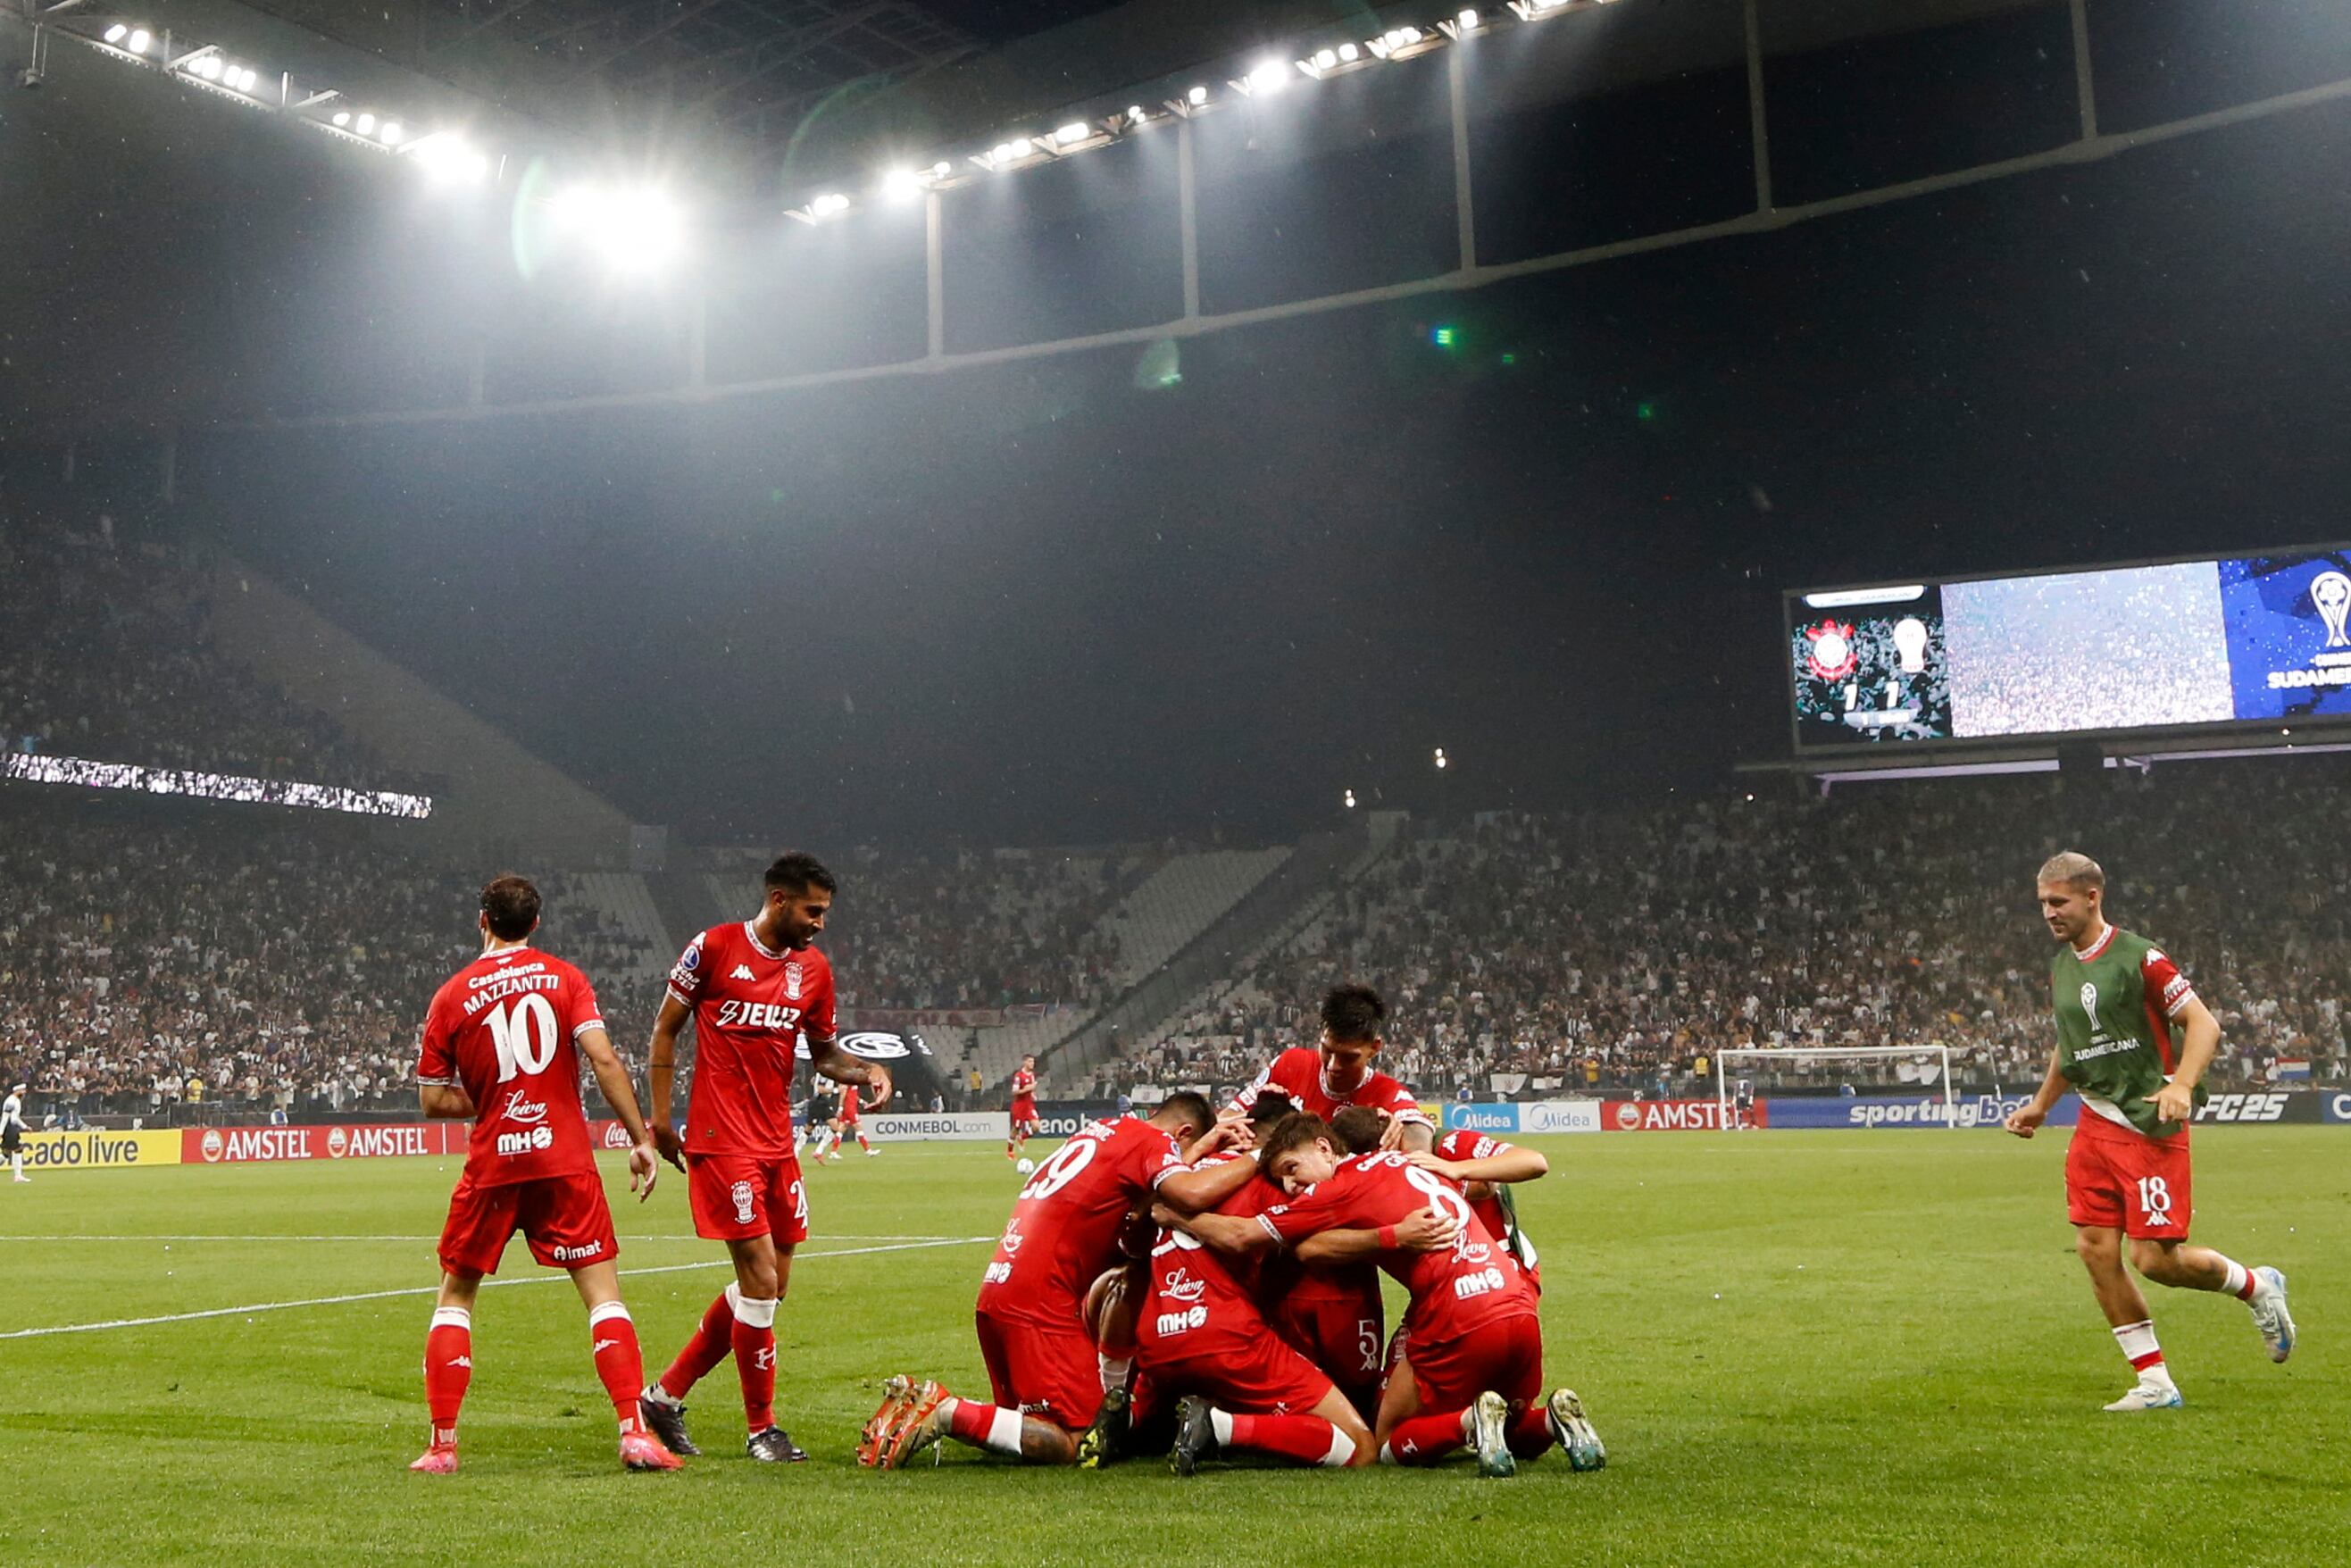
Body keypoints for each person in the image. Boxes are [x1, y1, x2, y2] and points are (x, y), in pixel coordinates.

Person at [2003, 851, 2295, 1411]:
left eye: (2058, 902)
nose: (2048, 913)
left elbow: (2203, 1023)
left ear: (2093, 897)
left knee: (2157, 1260)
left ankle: (2257, 1285)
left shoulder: (2141, 958)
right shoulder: (2063, 966)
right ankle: (2155, 1383)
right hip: (2093, 1123)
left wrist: (2182, 1085)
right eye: (2043, 903)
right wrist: (2042, 1105)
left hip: (2146, 1124)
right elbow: (2072, 1045)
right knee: (2094, 1249)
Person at [408, 875, 679, 1474]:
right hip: (563, 1160)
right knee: (602, 1295)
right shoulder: (565, 978)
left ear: (482, 921)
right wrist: (640, 1138)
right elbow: (603, 1058)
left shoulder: (450, 996)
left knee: (456, 1296)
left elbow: (432, 1100)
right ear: (535, 923)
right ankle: (633, 1432)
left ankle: (442, 1446)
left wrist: (498, 1099)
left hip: (494, 1164)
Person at [1174, 1113, 1604, 1479]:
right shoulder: (1411, 1164)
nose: (1290, 1185)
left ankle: (1470, 1421)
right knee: (1516, 1431)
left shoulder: (1334, 1189)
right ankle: (1552, 1419)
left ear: (1325, 1149)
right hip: (1518, 1305)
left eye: (1291, 1167)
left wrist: (1174, 1213)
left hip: (1456, 1314)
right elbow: (1490, 1188)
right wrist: (1428, 1199)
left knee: (1387, 1442)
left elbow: (1244, 1236)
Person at [638, 853, 891, 1464]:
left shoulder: (814, 970)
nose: (820, 923)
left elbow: (825, 1053)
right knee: (758, 1281)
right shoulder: (715, 948)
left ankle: (664, 1397)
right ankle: (762, 1429)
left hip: (777, 1141)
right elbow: (666, 1029)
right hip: (722, 1140)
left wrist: (866, 1071)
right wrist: (660, 1117)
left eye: (824, 912)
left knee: (771, 1289)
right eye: (813, 910)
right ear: (778, 899)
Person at [860, 1093, 1243, 1467]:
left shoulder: (1101, 1130)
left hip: (998, 1292)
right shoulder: (1155, 1142)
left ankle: (941, 1410)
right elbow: (1189, 1195)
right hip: (1041, 1305)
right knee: (1081, 1440)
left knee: (1027, 1429)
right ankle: (946, 1411)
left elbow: (1133, 1231)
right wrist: (1260, 1158)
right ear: (1183, 1132)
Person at [1228, 986, 1433, 1152]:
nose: (1333, 1066)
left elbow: (1419, 1144)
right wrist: (1261, 1116)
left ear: (1374, 1048)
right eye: (1327, 1050)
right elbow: (1225, 1118)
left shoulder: (1387, 1093)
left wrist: (1401, 1131)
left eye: (1348, 1057)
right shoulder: (1290, 1063)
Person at [1408, 1122, 1549, 1288]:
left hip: (1499, 1269)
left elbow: (1533, 1162)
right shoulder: (1380, 1159)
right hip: (1450, 1277)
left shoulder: (1449, 1142)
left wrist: (1457, 1169)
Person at [1007, 1055, 1040, 1163]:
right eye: (1030, 1062)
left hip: (1029, 1105)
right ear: (1025, 1063)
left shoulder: (1032, 1075)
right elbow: (1014, 1092)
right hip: (1019, 1106)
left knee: (1036, 1127)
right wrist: (1027, 1089)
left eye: (1033, 1062)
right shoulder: (1018, 1076)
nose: (1032, 1064)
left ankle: (1022, 1137)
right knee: (1015, 1129)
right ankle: (1010, 1151)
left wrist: (1032, 1094)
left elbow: (1030, 1089)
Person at [838, 1080, 876, 1158]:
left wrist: (861, 1101)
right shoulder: (847, 1081)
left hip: (850, 1108)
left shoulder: (853, 1082)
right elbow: (843, 1094)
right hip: (850, 1109)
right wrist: (840, 1108)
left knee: (842, 1128)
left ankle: (833, 1151)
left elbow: (853, 1095)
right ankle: (868, 1150)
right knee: (858, 1127)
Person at [4, 1081, 28, 1182]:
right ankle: (18, 1176)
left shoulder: (15, 1100)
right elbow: (6, 1118)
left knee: (6, 1153)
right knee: (17, 1149)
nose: (24, 1092)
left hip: (12, 1128)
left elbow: (15, 1118)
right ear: (17, 1091)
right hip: (10, 1128)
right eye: (23, 1090)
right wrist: (1, 1131)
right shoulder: (10, 1101)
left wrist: (24, 1126)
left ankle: (18, 1176)